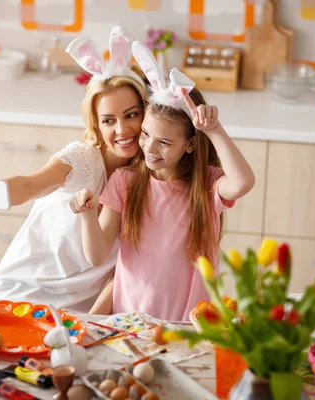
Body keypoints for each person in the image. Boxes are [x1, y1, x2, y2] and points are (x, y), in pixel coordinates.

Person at [0, 27, 147, 312]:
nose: (122, 129)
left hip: (80, 306)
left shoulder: (149, 175)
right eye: (109, 120)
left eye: (131, 115)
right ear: (96, 125)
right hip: (27, 289)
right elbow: (30, 184)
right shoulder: (83, 160)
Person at [69, 41, 256, 320]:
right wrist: (86, 216)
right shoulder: (125, 181)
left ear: (190, 144)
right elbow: (97, 256)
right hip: (130, 322)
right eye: (146, 134)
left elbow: (243, 182)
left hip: (187, 326)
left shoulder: (205, 185)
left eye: (165, 142)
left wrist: (214, 130)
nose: (150, 149)